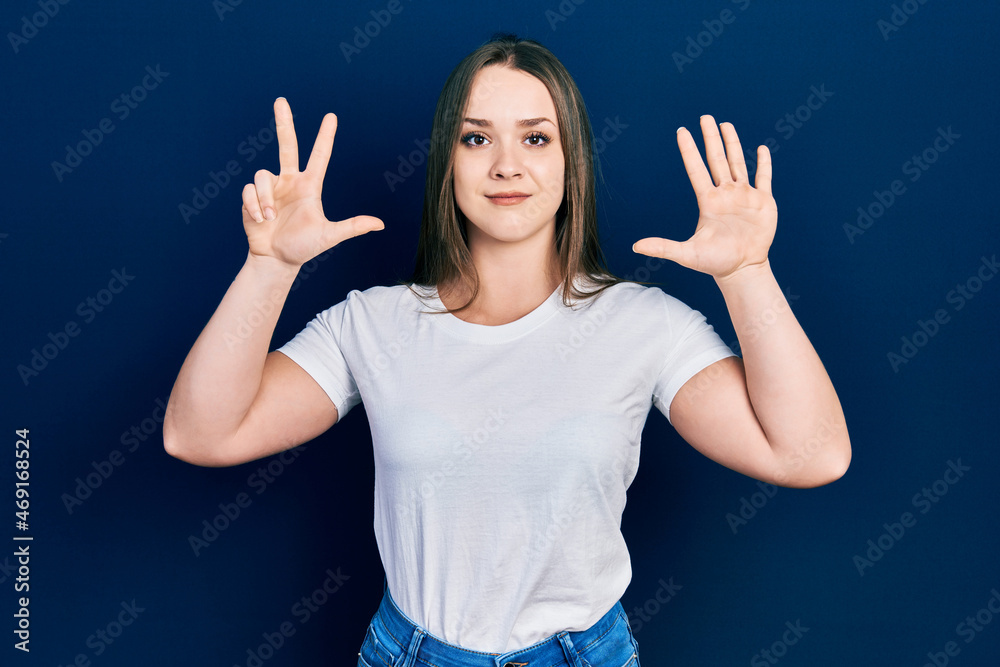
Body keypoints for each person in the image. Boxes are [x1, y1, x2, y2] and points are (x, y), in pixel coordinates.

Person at [163, 34, 850, 667]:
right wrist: (270, 266)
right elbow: (202, 432)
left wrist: (745, 273)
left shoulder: (644, 323)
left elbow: (809, 451)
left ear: (570, 160)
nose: (506, 165)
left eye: (536, 137)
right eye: (475, 138)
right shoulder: (371, 323)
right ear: (448, 162)